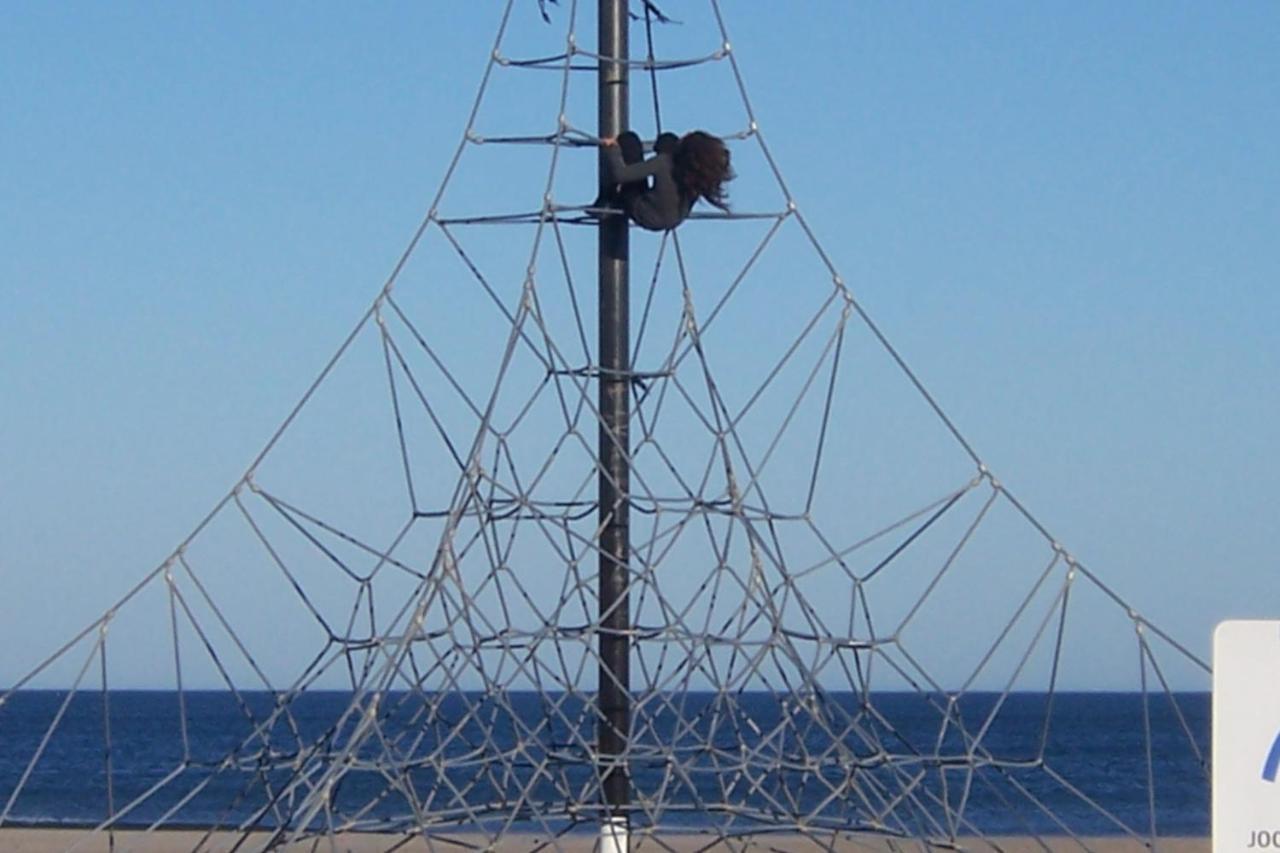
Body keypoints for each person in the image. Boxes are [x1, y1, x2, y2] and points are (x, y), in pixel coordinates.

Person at [597, 129, 734, 232]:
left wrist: (612, 149)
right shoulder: (695, 175)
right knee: (666, 142)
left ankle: (605, 201)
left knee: (629, 141)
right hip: (673, 220)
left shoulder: (664, 161)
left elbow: (620, 175)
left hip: (643, 212)